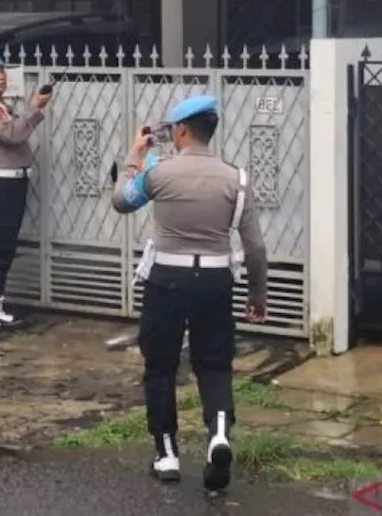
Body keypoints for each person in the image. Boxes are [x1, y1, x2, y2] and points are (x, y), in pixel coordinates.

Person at [111, 95, 268, 492]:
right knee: (214, 364)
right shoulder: (237, 179)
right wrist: (257, 293)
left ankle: (166, 454)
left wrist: (134, 154)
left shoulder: (159, 174)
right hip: (216, 280)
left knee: (160, 366)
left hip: (166, 279)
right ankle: (218, 435)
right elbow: (255, 247)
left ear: (180, 131)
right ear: (209, 130)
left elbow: (122, 201)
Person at [0, 54, 51, 330]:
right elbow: (13, 135)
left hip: (9, 183)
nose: (1, 78)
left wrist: (30, 110)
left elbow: (15, 129)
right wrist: (33, 108)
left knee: (2, 246)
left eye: (3, 72)